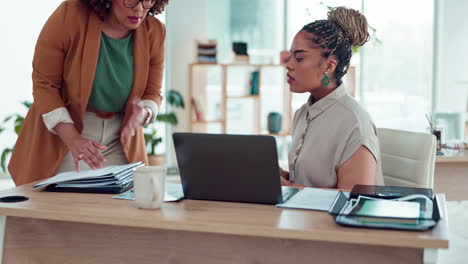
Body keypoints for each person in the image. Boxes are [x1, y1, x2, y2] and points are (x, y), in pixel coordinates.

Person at [8, 0, 169, 186]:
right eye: (131, 0)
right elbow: (45, 84)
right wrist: (73, 139)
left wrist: (145, 111)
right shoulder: (70, 15)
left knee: (125, 207)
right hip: (67, 132)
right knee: (60, 206)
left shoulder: (155, 32)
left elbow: (153, 92)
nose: (140, 9)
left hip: (120, 138)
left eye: (147, 0)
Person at [280, 7, 384, 189]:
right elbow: (309, 181)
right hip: (300, 216)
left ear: (329, 66)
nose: (289, 65)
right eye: (290, 57)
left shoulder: (355, 123)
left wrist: (289, 187)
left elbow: (354, 200)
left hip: (332, 218)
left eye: (299, 58)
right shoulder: (302, 114)